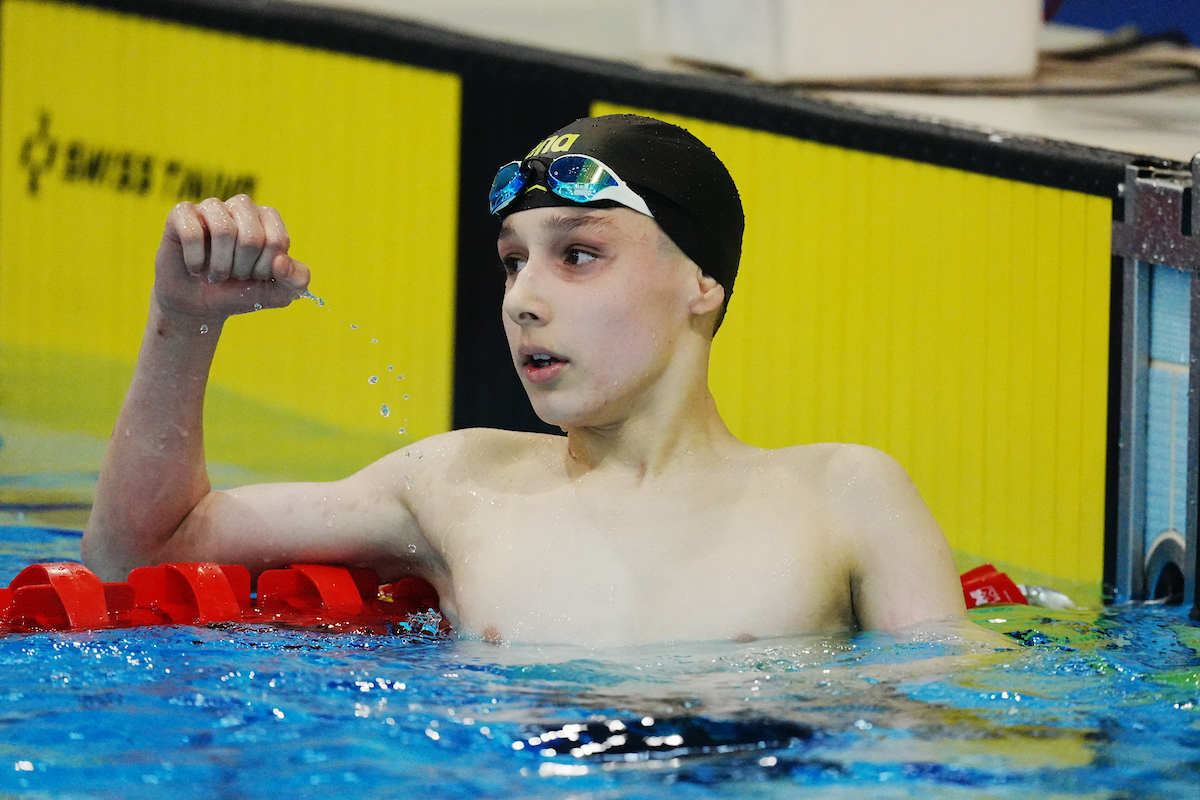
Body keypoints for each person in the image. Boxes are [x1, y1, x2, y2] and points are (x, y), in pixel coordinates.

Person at [83, 114, 970, 646]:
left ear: (703, 283)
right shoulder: (458, 484)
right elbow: (135, 557)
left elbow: (933, 744)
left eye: (578, 255)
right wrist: (184, 321)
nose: (522, 300)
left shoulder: (843, 496)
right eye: (513, 262)